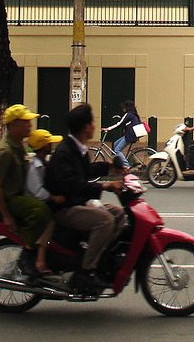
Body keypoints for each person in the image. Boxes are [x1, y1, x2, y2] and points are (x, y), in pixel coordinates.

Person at [45, 103, 127, 293]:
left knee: (119, 214)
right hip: (65, 207)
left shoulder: (78, 148)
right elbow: (73, 184)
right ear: (85, 127)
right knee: (105, 221)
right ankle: (86, 271)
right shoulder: (65, 152)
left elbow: (85, 172)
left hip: (77, 202)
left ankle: (98, 256)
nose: (95, 126)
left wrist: (108, 168)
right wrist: (105, 185)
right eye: (92, 122)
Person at [0, 104, 51, 279]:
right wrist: (6, 215)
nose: (30, 126)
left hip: (15, 195)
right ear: (13, 125)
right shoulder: (5, 151)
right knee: (40, 209)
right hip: (6, 199)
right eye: (26, 122)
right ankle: (27, 255)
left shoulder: (18, 146)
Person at [25, 128, 65, 275]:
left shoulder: (44, 163)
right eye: (49, 143)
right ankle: (40, 259)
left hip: (42, 201)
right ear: (43, 147)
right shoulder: (34, 167)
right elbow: (37, 191)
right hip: (35, 204)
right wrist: (54, 198)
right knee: (50, 220)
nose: (51, 146)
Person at [108, 100, 142, 168]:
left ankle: (126, 166)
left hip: (130, 135)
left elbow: (120, 123)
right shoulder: (134, 114)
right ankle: (121, 162)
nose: (123, 108)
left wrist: (108, 129)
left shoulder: (128, 114)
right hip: (131, 135)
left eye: (124, 107)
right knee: (115, 144)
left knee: (117, 150)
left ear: (127, 107)